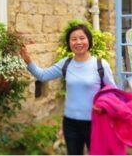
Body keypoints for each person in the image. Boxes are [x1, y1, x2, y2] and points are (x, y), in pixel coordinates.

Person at [20, 23, 117, 155]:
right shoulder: (66, 63)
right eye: (73, 39)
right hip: (70, 124)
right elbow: (42, 76)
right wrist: (28, 60)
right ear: (69, 43)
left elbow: (113, 93)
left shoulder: (100, 65)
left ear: (89, 40)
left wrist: (104, 106)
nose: (78, 42)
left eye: (82, 38)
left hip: (95, 123)